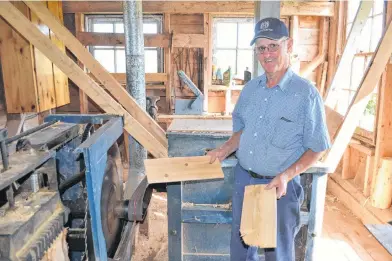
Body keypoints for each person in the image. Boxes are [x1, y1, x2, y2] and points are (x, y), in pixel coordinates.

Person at [207, 17, 331, 261]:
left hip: (281, 189)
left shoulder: (305, 94)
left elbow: (318, 147)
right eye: (261, 48)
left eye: (273, 45)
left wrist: (285, 175)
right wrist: (224, 149)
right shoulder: (251, 90)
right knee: (242, 250)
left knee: (279, 254)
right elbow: (243, 131)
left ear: (289, 45)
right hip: (245, 180)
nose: (267, 54)